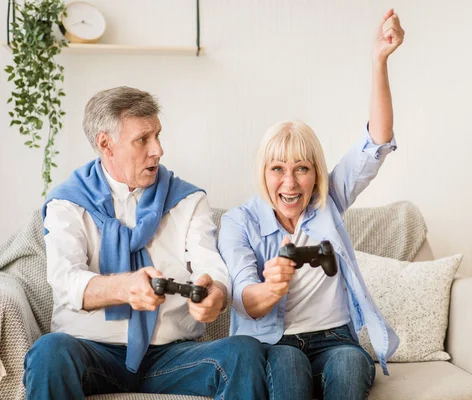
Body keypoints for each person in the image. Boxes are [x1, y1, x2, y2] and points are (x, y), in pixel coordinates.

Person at [23, 86, 268, 399]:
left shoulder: (188, 200)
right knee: (49, 352)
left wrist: (215, 295)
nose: (158, 150)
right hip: (91, 352)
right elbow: (65, 281)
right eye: (142, 139)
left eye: (158, 135)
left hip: (171, 357)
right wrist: (123, 288)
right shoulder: (67, 204)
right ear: (105, 144)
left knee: (243, 352)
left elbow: (213, 268)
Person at [218, 9, 404, 400]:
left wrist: (379, 62)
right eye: (278, 169)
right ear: (263, 172)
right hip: (275, 342)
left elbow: (377, 142)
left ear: (316, 173)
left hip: (334, 339)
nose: (290, 182)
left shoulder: (328, 200)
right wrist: (272, 288)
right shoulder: (239, 222)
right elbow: (244, 300)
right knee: (288, 365)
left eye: (302, 168)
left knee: (352, 363)